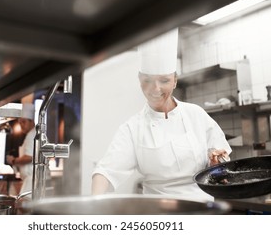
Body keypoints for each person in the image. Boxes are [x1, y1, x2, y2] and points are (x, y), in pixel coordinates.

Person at [91, 29, 232, 202]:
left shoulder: (196, 115)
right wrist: (93, 206)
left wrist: (217, 163)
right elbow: (105, 171)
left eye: (164, 81)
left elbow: (222, 162)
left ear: (175, 80)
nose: (155, 89)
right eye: (148, 81)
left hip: (201, 209)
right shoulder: (133, 128)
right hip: (158, 214)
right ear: (139, 79)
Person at [6, 103, 36, 195]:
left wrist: (14, 160)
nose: (22, 125)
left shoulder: (32, 135)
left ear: (31, 121)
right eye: (20, 123)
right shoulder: (32, 134)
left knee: (27, 207)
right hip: (32, 180)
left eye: (24, 122)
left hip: (32, 180)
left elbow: (29, 157)